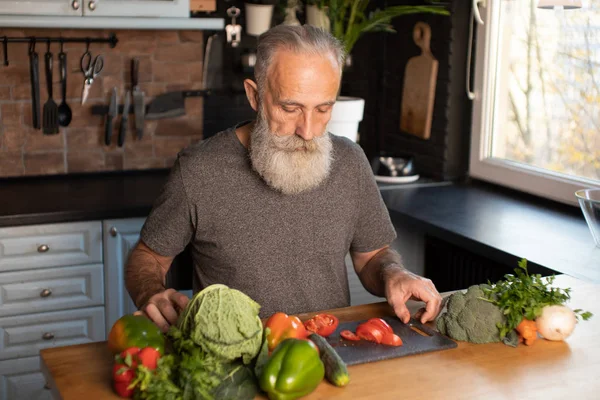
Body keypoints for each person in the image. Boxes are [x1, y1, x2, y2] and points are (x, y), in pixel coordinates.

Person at [125, 24, 443, 333]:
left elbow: (372, 256)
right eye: (290, 108)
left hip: (326, 354)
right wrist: (150, 292)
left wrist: (393, 273)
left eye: (322, 109)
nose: (308, 130)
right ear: (254, 95)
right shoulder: (198, 170)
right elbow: (147, 257)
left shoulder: (350, 162)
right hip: (233, 363)